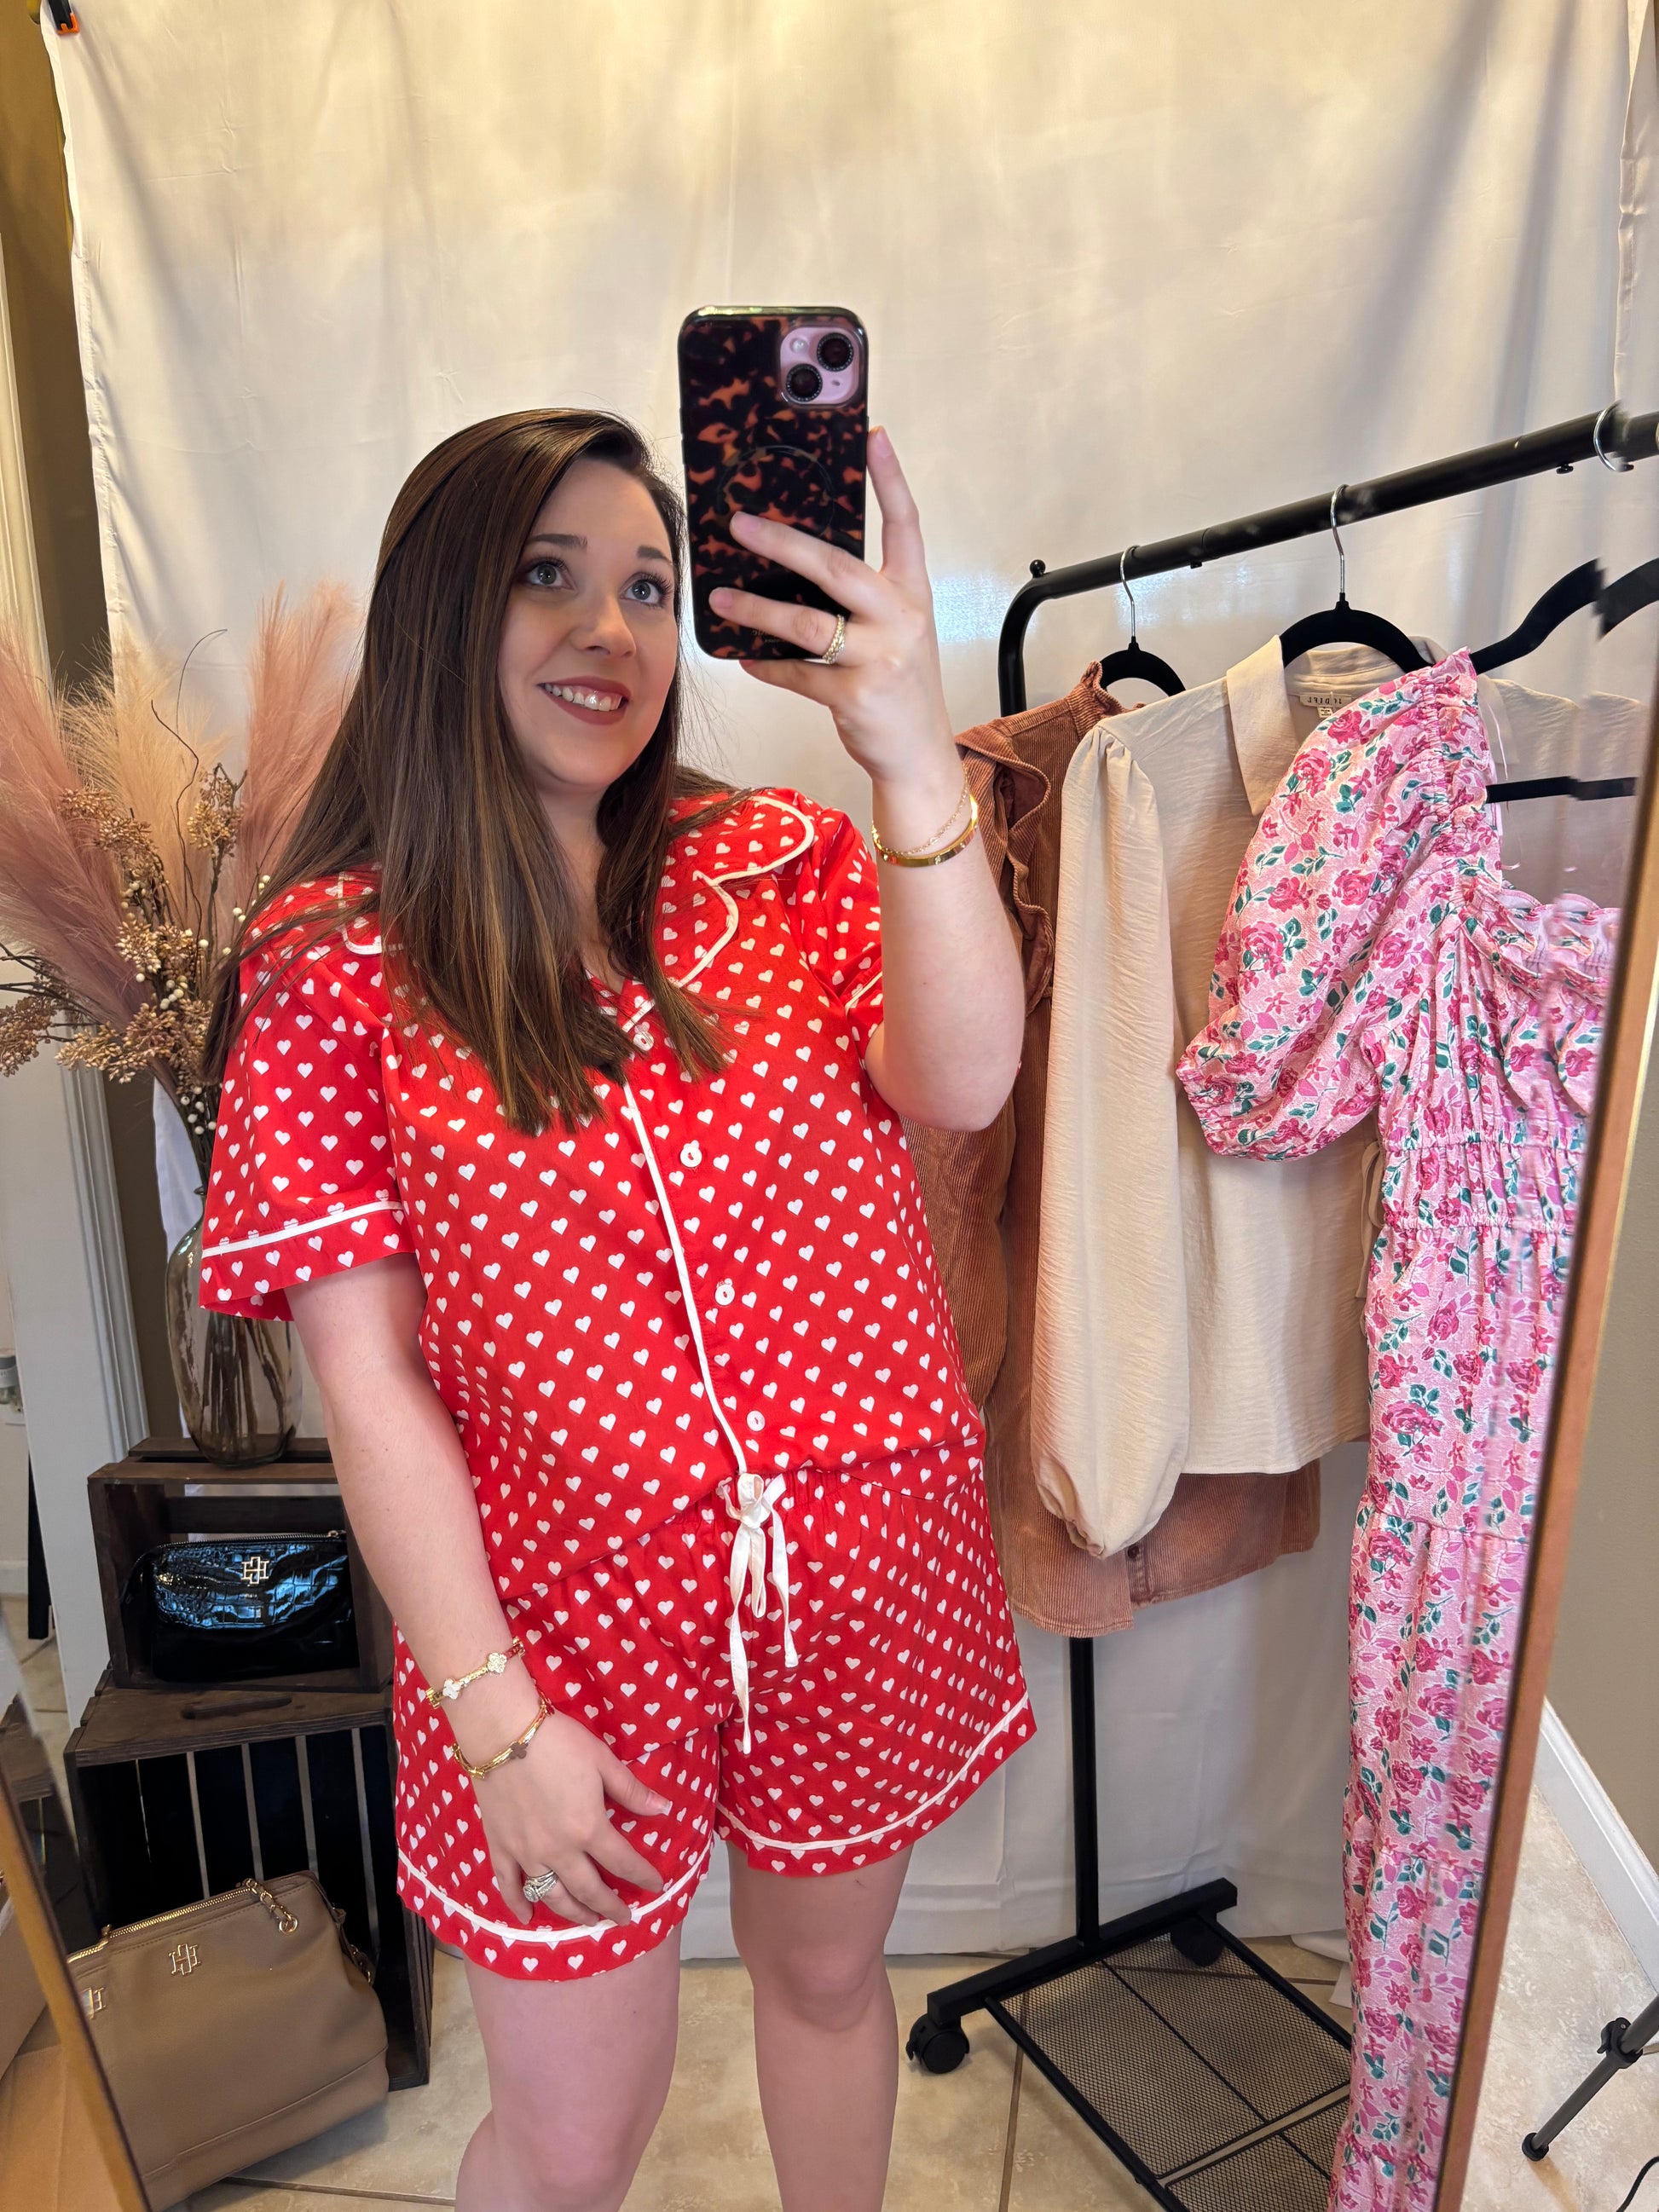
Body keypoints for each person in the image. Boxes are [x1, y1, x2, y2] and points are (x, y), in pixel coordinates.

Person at [200, 406, 1032, 2212]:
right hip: (549, 1630)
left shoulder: (786, 865)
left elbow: (964, 1077)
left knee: (830, 1989)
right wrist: (495, 1720)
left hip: (860, 1570)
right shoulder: (336, 962)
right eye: (548, 576)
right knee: (576, 2136)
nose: (612, 631)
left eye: (651, 585)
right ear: (445, 606)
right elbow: (370, 1384)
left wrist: (908, 752)